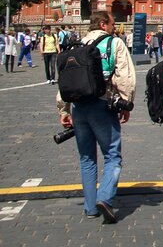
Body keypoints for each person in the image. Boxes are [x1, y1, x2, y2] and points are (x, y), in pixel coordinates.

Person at [56, 11, 135, 223]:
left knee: (87, 158)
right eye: (112, 23)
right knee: (112, 155)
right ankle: (105, 198)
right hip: (102, 104)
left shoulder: (76, 45)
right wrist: (126, 103)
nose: (114, 27)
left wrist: (64, 109)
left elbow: (65, 80)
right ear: (103, 23)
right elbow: (124, 76)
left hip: (79, 108)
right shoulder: (113, 43)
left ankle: (90, 207)